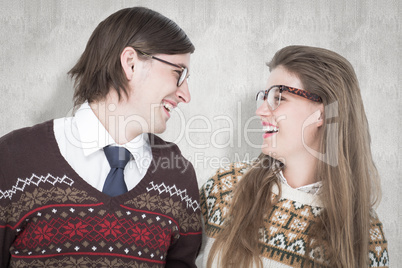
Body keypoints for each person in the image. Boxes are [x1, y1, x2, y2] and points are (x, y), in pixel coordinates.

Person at [0, 7, 201, 267]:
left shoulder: (178, 176)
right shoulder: (13, 158)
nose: (186, 94)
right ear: (130, 63)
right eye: (178, 73)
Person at [199, 45, 389, 267]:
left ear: (322, 113)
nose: (260, 110)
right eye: (265, 97)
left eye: (278, 98)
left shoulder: (365, 235)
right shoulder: (224, 189)